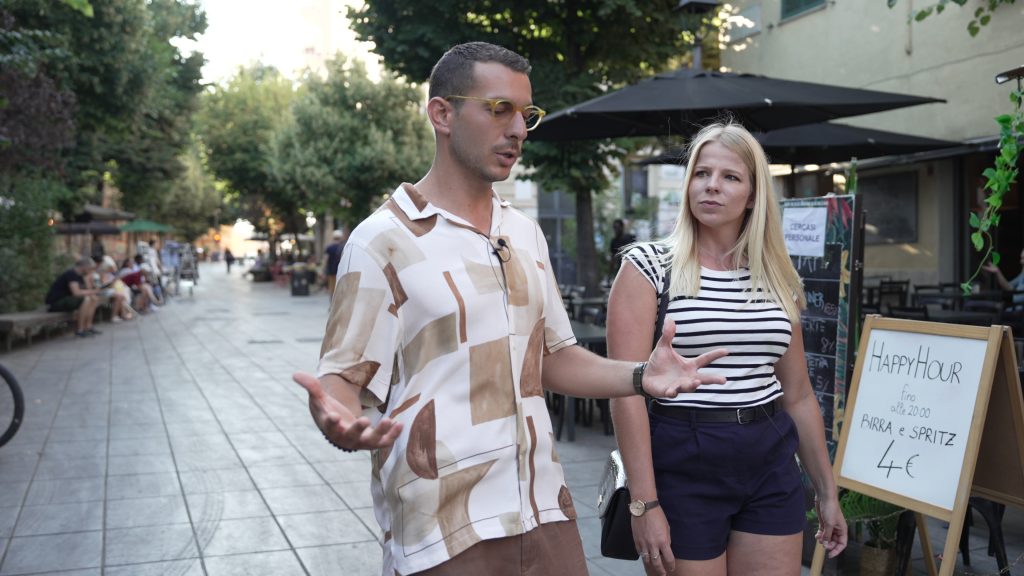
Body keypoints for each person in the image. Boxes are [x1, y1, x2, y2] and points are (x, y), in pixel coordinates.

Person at [291, 42, 729, 576]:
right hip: (442, 529)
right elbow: (343, 380)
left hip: (545, 511)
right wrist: (339, 420)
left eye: (527, 113)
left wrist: (640, 376)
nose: (519, 129)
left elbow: (554, 357)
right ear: (442, 113)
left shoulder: (522, 232)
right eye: (499, 109)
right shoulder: (381, 240)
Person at [607, 121, 847, 576]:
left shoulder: (775, 275)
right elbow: (626, 392)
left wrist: (827, 492)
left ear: (753, 195)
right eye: (701, 173)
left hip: (769, 453)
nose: (711, 186)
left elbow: (796, 394)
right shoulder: (647, 267)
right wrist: (644, 503)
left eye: (730, 177)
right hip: (684, 456)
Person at [45, 257, 101, 337]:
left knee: (94, 299)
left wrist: (90, 281)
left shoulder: (80, 276)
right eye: (90, 269)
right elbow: (77, 293)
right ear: (84, 266)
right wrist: (93, 291)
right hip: (56, 302)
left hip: (67, 300)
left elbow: (86, 289)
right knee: (86, 299)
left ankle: (88, 326)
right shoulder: (71, 274)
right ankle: (80, 329)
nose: (91, 271)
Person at [324, 229, 346, 294]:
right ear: (341, 238)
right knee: (340, 287)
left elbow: (326, 260)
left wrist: (324, 270)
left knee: (332, 288)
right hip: (341, 271)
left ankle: (332, 302)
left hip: (331, 271)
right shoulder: (343, 247)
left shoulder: (329, 248)